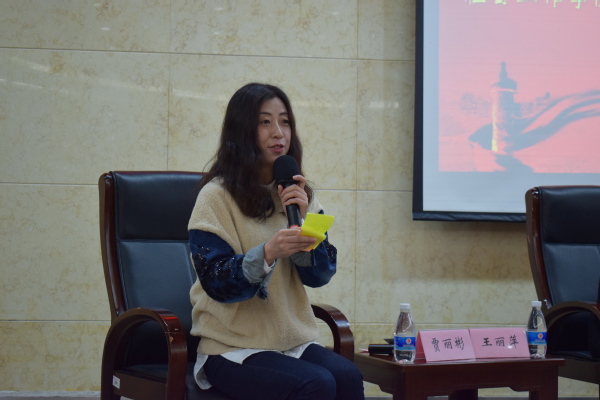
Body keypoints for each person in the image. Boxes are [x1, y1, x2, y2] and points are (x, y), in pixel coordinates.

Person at [188, 83, 365, 400]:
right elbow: (216, 282)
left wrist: (303, 227)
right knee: (316, 383)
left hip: (291, 342)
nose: (278, 133)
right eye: (265, 122)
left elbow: (319, 276)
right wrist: (268, 253)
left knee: (348, 377)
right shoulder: (215, 197)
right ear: (242, 130)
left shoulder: (298, 194)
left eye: (285, 121)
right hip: (230, 347)